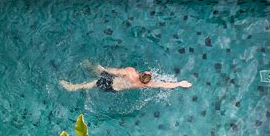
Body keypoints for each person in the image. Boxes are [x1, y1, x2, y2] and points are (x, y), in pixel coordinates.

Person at [59, 62, 192, 92]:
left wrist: (105, 70)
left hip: (112, 81)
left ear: (141, 74)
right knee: (97, 78)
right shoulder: (145, 84)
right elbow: (164, 85)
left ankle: (73, 87)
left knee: (97, 77)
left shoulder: (130, 71)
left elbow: (115, 71)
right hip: (114, 89)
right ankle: (88, 67)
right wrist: (180, 83)